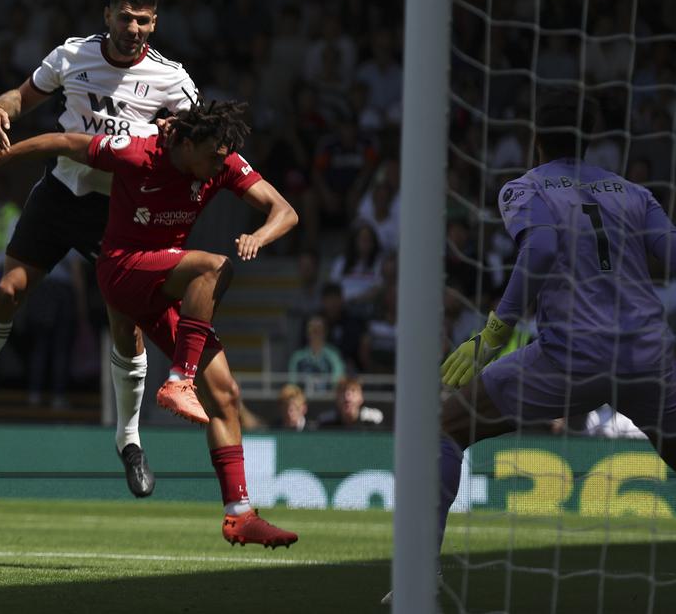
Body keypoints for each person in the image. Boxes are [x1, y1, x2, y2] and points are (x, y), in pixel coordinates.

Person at [0, 100, 301, 548]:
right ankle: (178, 380)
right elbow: (63, 141)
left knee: (226, 393)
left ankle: (239, 513)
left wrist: (259, 236)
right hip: (122, 269)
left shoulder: (218, 161)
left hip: (165, 281)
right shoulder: (137, 150)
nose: (216, 166)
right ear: (186, 144)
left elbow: (284, 210)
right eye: (210, 155)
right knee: (213, 267)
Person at [385, 93, 676, 602]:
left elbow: (540, 248)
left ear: (536, 142)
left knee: (447, 427)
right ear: (589, 142)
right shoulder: (633, 192)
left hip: (571, 357)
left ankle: (418, 576)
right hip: (648, 356)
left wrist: (494, 332)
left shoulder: (526, 187)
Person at [0, 0, 203, 500]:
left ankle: (129, 440)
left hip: (119, 211)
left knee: (125, 324)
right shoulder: (72, 54)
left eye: (144, 20)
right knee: (8, 290)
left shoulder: (171, 80)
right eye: (125, 17)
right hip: (59, 191)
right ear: (108, 15)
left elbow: (201, 141)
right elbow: (22, 96)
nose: (133, 28)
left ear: (155, 24)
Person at [287, 314, 346, 394]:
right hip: (303, 399)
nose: (315, 332)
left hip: (329, 399)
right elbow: (292, 383)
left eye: (319, 329)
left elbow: (338, 379)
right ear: (307, 332)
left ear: (325, 332)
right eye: (312, 329)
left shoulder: (333, 355)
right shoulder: (297, 357)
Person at [315, 376, 383, 429]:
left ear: (361, 398)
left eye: (353, 391)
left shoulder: (373, 419)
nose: (347, 397)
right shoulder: (325, 422)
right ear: (337, 399)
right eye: (343, 391)